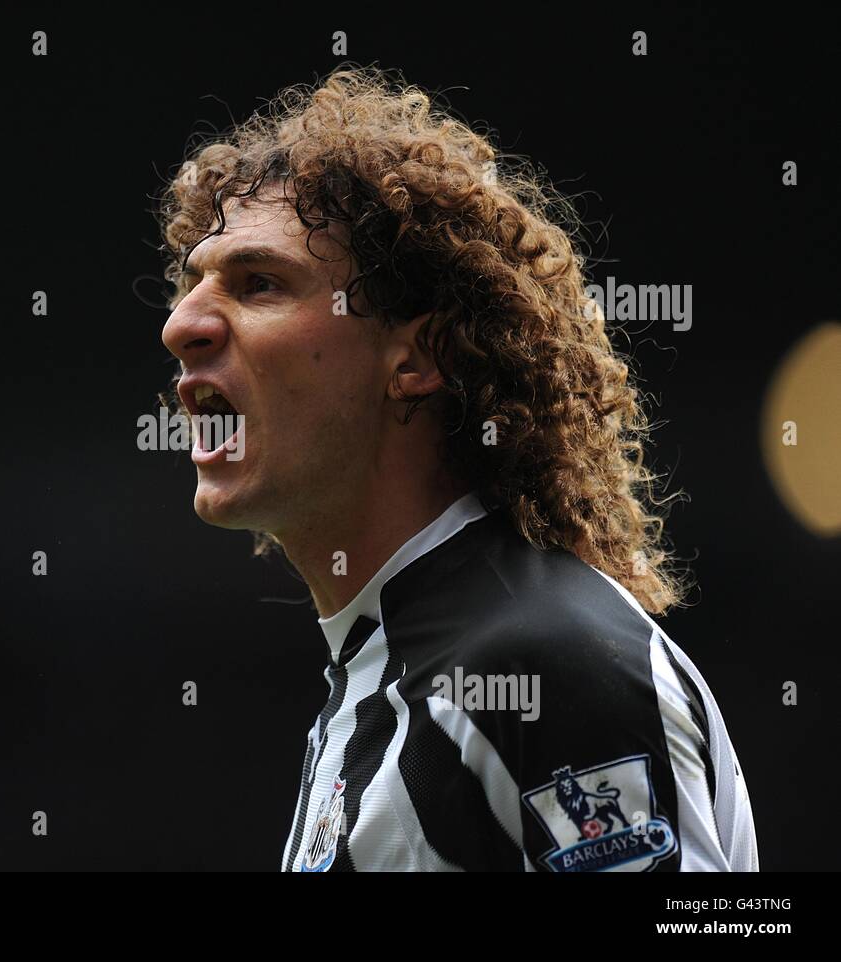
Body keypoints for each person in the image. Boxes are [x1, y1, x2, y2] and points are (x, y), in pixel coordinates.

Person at [156, 67, 757, 872]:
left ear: (418, 358)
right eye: (193, 284)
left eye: (259, 284)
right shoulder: (376, 682)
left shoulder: (539, 661)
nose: (182, 324)